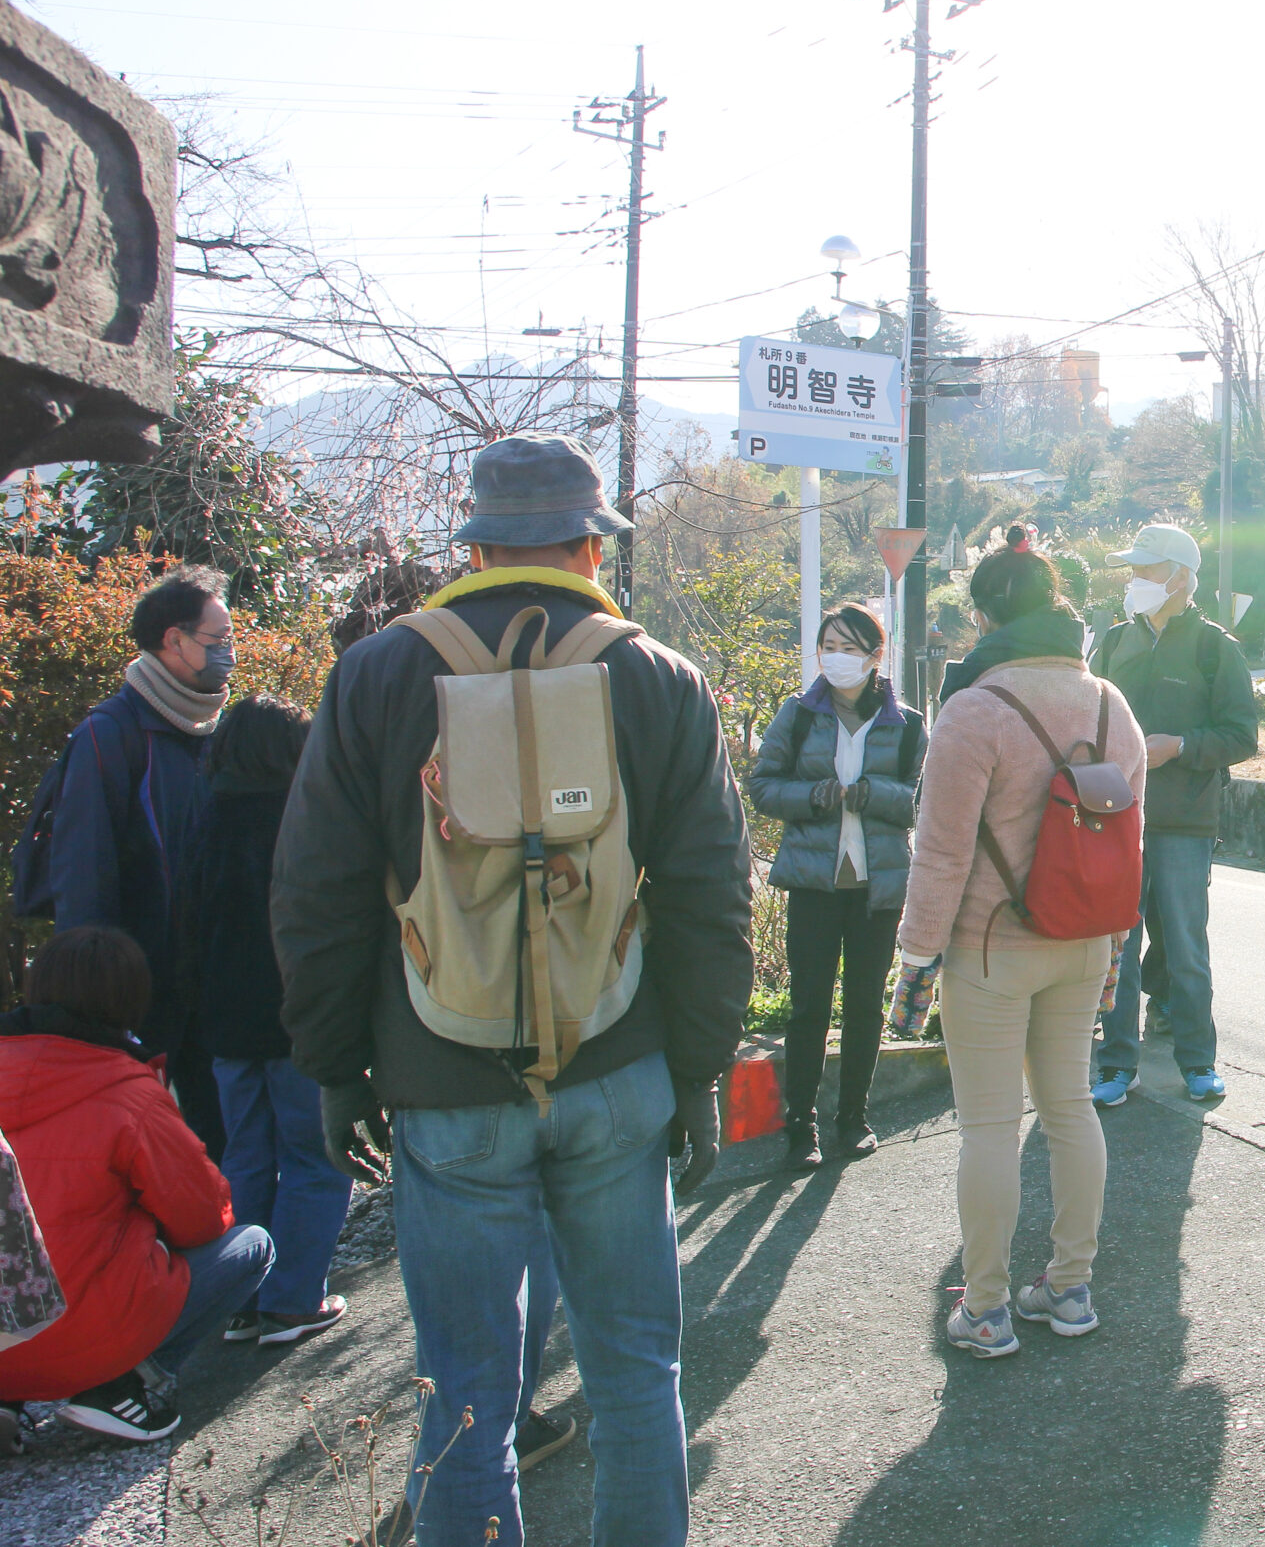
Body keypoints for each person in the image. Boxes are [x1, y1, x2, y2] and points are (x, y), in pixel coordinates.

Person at [274, 434, 754, 1546]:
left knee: (470, 1394)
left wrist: (336, 1065)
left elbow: (316, 891)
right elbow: (707, 892)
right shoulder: (656, 674)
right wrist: (698, 1067)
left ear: (475, 544)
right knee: (637, 1372)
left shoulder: (381, 671)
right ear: (593, 544)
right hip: (619, 1062)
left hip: (444, 1076)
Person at [895, 529, 1144, 1360]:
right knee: (1071, 1108)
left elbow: (943, 853)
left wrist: (916, 957)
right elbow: (1123, 840)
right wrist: (1113, 947)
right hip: (1085, 941)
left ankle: (989, 1307)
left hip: (992, 946)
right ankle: (1070, 1289)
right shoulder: (1113, 704)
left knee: (989, 1130)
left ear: (985, 616)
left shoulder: (975, 711)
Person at [0, 927, 272, 1442]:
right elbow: (203, 1218)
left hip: (6, 1340)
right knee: (252, 1245)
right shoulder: (126, 1091)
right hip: (82, 1346)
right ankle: (124, 1386)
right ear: (130, 1001)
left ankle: (9, 1403)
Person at [175, 695, 354, 1349]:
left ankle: (242, 1298)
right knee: (315, 1156)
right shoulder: (302, 814)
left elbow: (185, 927)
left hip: (226, 1028)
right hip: (295, 1021)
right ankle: (293, 1300)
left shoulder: (204, 815)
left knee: (245, 1157)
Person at [48, 566, 231, 1156]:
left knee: (221, 1143)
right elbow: (83, 870)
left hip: (214, 978)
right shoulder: (112, 731)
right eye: (216, 640)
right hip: (141, 988)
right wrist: (99, 997)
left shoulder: (215, 729)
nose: (228, 652)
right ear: (172, 641)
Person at [747, 602, 924, 1170]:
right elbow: (764, 786)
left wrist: (876, 794)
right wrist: (812, 796)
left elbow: (921, 799)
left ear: (876, 657)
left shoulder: (908, 724)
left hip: (877, 886)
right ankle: (801, 1126)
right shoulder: (798, 714)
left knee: (864, 1004)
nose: (837, 658)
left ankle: (854, 1117)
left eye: (850, 648)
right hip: (813, 883)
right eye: (829, 646)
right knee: (809, 1007)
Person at [1088, 523, 1258, 1106]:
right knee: (1118, 946)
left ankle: (1198, 1063)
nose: (1135, 581)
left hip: (1185, 821)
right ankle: (1115, 1065)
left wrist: (1180, 746)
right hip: (1115, 818)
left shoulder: (1216, 648)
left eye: (1146, 570)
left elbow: (1241, 735)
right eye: (1132, 570)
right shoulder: (1110, 643)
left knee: (1186, 947)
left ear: (1182, 578)